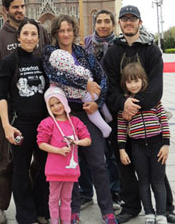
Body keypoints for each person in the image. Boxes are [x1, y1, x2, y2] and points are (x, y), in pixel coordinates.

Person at [103, 5, 175, 224]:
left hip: (148, 118)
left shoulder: (151, 50)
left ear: (139, 22)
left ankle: (166, 207)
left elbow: (156, 88)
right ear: (120, 24)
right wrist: (123, 104)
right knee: (125, 165)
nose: (128, 22)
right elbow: (109, 87)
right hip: (123, 119)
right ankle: (132, 206)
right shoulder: (113, 52)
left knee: (156, 165)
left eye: (132, 19)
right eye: (124, 19)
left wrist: (134, 106)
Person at [42, 14, 118, 224]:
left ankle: (107, 211)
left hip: (86, 114)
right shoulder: (50, 52)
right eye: (61, 30)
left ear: (74, 31)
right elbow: (55, 76)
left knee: (98, 163)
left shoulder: (83, 52)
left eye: (69, 30)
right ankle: (72, 211)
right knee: (70, 166)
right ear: (56, 33)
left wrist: (98, 102)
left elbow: (102, 78)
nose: (65, 34)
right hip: (64, 118)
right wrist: (85, 84)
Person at [0, 0, 50, 224]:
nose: (20, 10)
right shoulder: (0, 38)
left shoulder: (41, 30)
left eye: (22, 6)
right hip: (12, 116)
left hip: (40, 117)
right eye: (15, 7)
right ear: (6, 10)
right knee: (5, 160)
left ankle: (38, 207)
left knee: (41, 165)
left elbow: (52, 69)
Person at [0, 18, 49, 224]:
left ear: (38, 38)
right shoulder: (9, 62)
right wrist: (7, 126)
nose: (29, 38)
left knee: (46, 167)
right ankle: (25, 215)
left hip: (44, 125)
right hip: (20, 125)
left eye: (33, 34)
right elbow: (1, 96)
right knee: (20, 170)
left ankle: (40, 209)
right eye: (25, 34)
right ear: (18, 37)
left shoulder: (41, 61)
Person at [118, 62, 170, 224]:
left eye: (136, 81)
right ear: (124, 83)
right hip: (137, 147)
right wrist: (122, 150)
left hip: (157, 146)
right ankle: (149, 213)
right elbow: (121, 128)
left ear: (143, 81)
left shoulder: (153, 100)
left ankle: (161, 213)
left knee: (158, 181)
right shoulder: (125, 104)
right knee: (144, 181)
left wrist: (166, 145)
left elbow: (164, 121)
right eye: (129, 82)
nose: (133, 85)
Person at [82, 10, 121, 211]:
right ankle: (85, 194)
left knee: (113, 153)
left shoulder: (119, 45)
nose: (103, 25)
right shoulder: (86, 44)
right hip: (91, 105)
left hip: (113, 105)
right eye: (99, 21)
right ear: (94, 23)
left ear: (113, 25)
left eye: (107, 21)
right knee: (88, 151)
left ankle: (115, 192)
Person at [37, 86, 91, 224]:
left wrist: (76, 142)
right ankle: (54, 221)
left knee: (67, 200)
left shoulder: (75, 122)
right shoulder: (47, 123)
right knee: (53, 199)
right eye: (52, 105)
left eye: (58, 102)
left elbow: (88, 140)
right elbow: (41, 143)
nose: (56, 107)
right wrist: (58, 150)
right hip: (54, 170)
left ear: (64, 101)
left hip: (71, 170)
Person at [48, 48, 112, 137]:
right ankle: (108, 116)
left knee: (92, 113)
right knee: (100, 102)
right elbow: (87, 73)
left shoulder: (63, 75)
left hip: (85, 96)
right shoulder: (77, 68)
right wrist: (89, 81)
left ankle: (105, 128)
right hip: (93, 91)